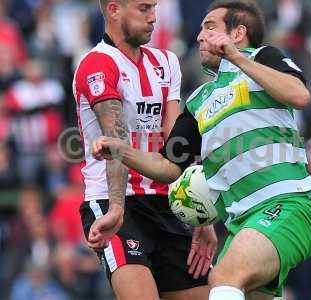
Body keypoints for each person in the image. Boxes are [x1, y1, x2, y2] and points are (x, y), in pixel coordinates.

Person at [92, 0, 311, 299]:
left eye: (210, 27)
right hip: (243, 222)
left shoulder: (263, 57)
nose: (200, 36)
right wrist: (121, 150)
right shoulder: (199, 100)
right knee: (223, 284)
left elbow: (299, 94)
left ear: (238, 33)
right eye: (200, 28)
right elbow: (168, 166)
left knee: (225, 277)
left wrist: (238, 58)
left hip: (288, 205)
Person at [73, 0, 217, 299]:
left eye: (154, 8)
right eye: (144, 9)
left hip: (167, 202)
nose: (154, 18)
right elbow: (115, 143)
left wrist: (199, 213)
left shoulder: (166, 62)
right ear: (114, 10)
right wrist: (115, 208)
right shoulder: (98, 63)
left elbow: (177, 144)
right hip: (116, 200)